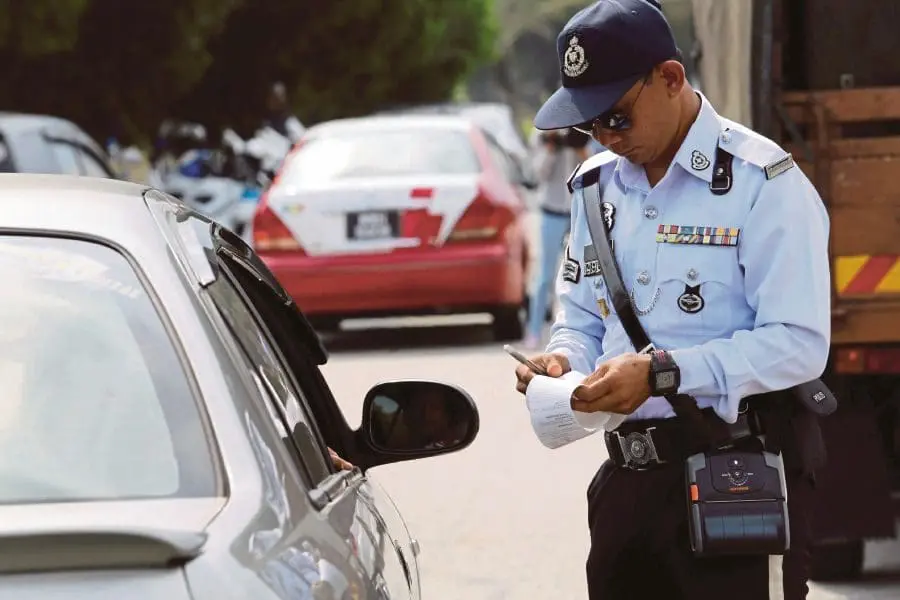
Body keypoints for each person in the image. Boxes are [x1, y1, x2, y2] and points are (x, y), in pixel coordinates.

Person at [513, 1, 830, 599]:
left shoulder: (762, 183)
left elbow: (799, 343)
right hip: (626, 487)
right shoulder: (595, 187)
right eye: (588, 125)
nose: (605, 138)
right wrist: (562, 362)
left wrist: (665, 374)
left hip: (736, 479)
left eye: (617, 117)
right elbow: (581, 317)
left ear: (670, 78)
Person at [523, 126, 592, 349]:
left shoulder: (581, 129)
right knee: (545, 275)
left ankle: (577, 330)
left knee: (580, 272)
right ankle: (534, 330)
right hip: (551, 211)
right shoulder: (542, 134)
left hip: (576, 211)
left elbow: (592, 170)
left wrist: (578, 147)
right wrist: (551, 148)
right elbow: (538, 174)